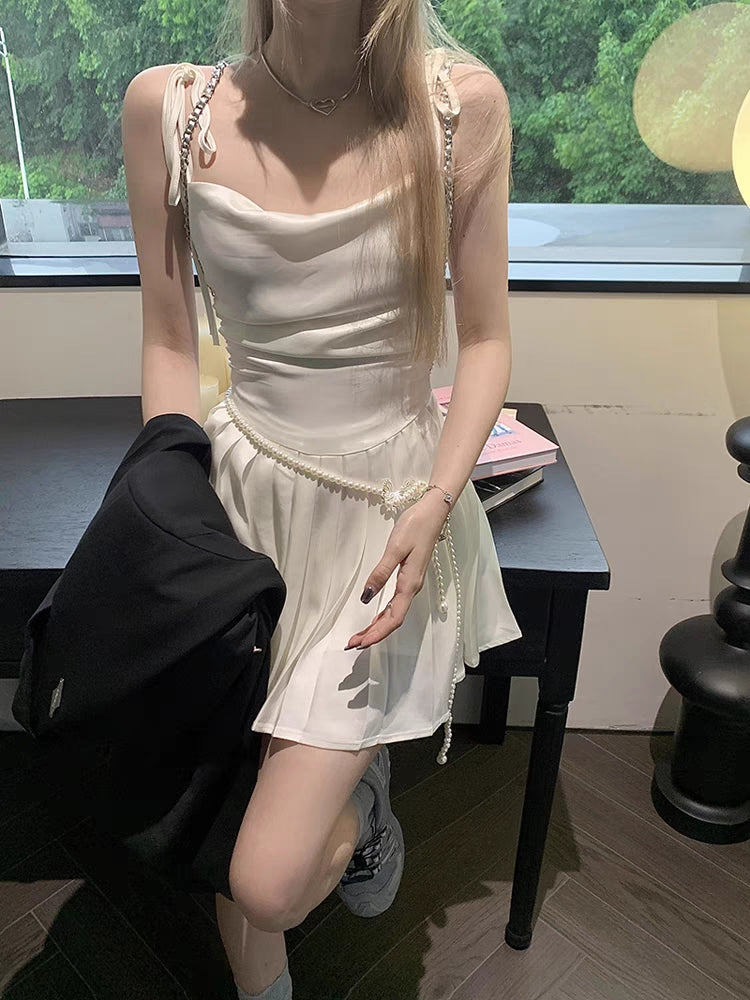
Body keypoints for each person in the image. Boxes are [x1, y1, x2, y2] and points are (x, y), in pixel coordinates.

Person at [121, 1, 522, 996]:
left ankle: (363, 806)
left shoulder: (456, 109)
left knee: (265, 878)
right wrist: (170, 506)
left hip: (382, 520)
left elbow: (485, 341)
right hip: (237, 505)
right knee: (235, 827)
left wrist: (438, 498)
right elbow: (169, 341)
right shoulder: (172, 108)